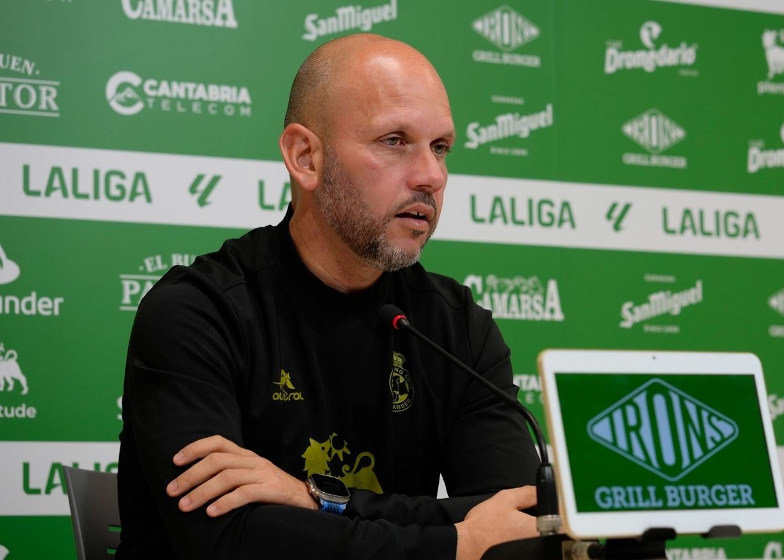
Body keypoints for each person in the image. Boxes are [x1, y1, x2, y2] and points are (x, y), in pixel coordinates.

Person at [117, 33, 540, 560]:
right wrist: (452, 542)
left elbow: (520, 522)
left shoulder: (454, 328)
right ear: (305, 157)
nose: (431, 176)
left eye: (440, 147)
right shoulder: (199, 311)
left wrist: (315, 498)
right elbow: (227, 540)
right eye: (394, 141)